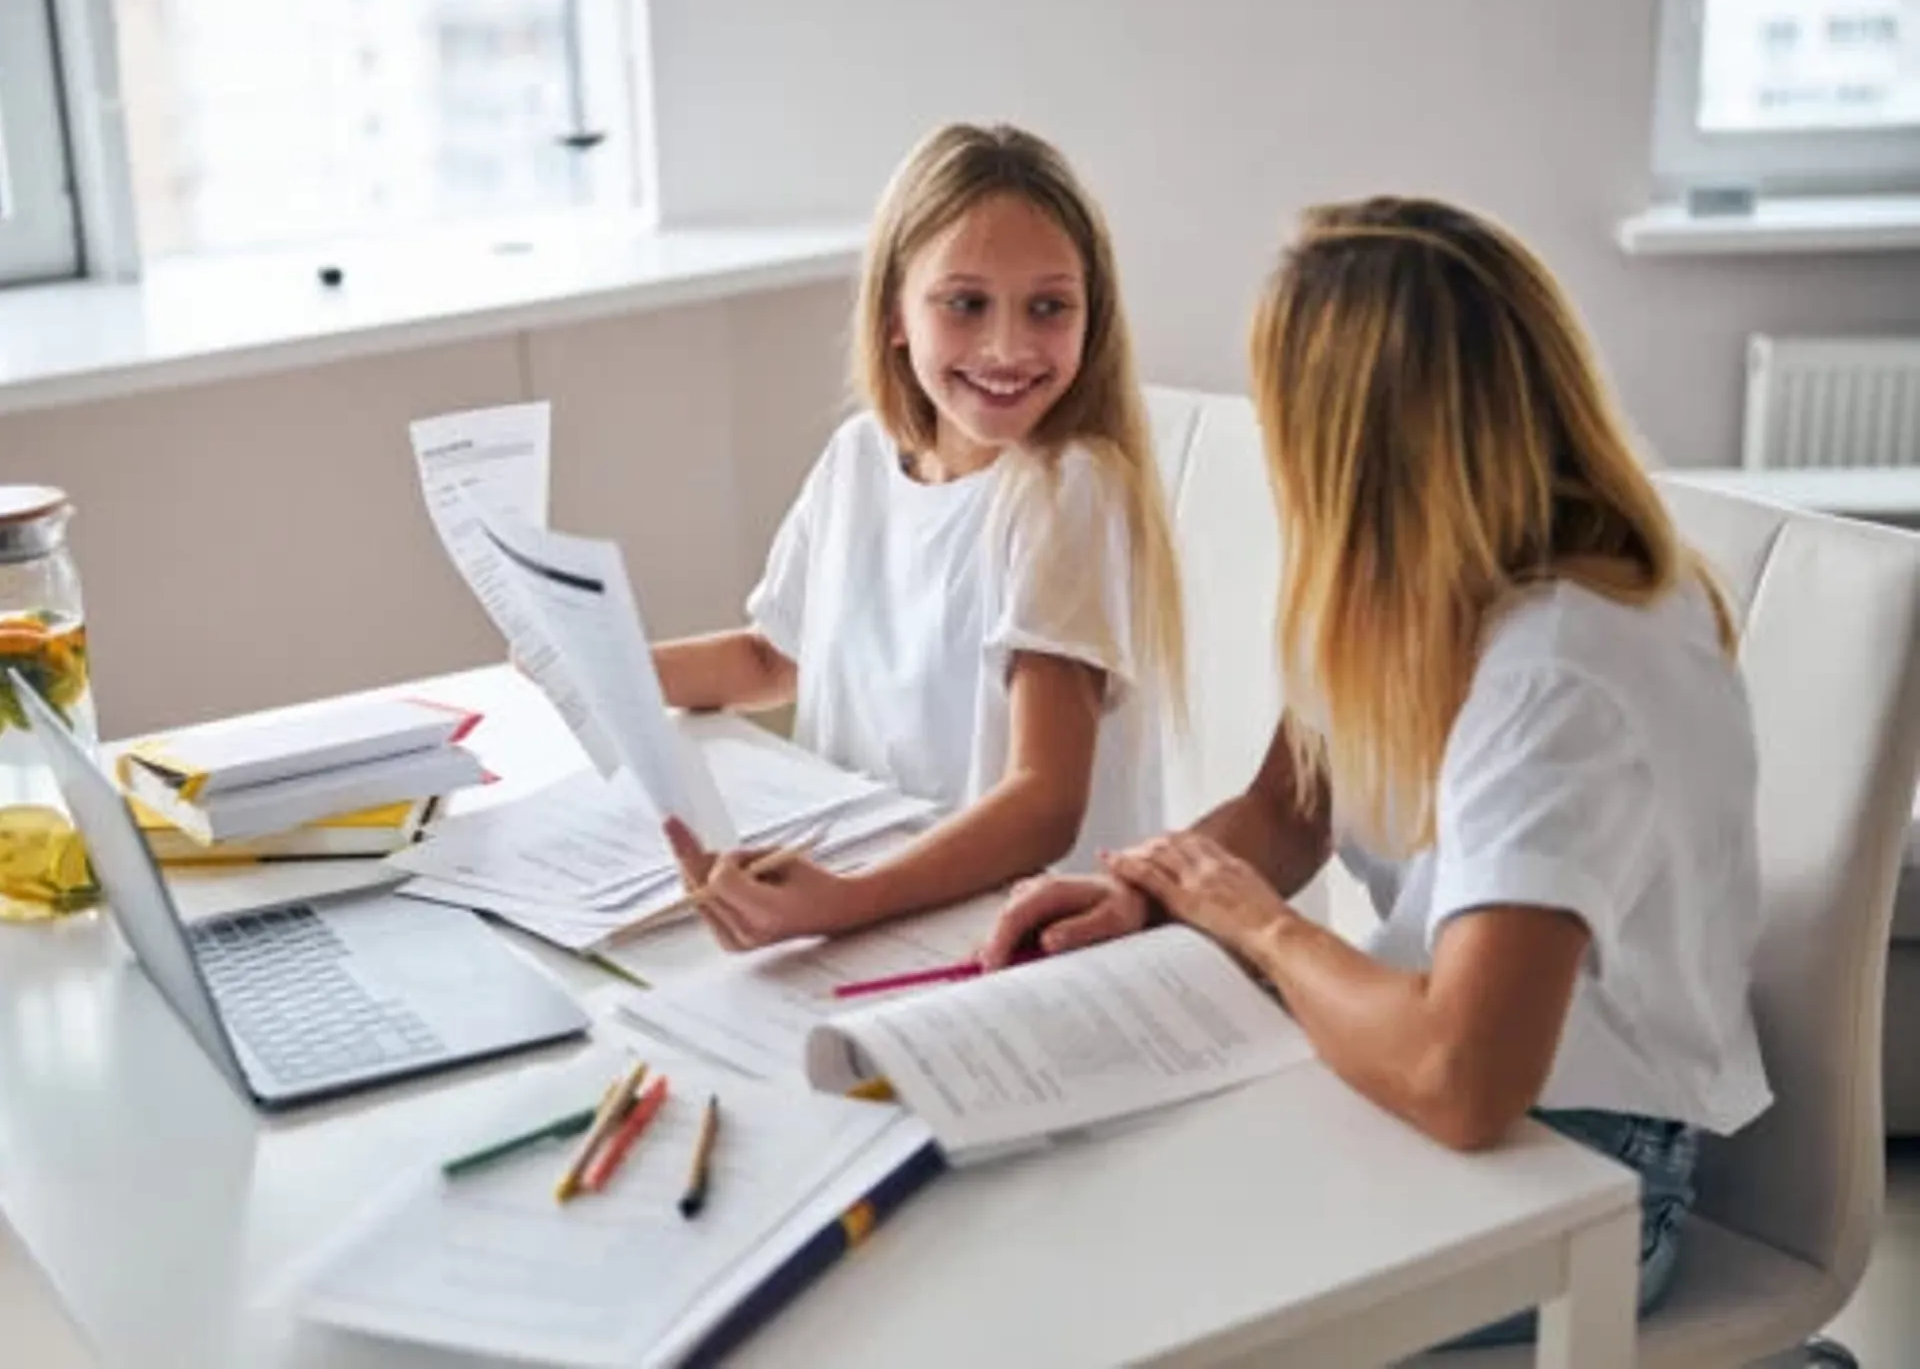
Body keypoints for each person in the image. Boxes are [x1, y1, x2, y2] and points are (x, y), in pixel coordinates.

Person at [983, 196, 1771, 1338]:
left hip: (1590, 1163)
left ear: (1355, 445)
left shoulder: (1564, 668)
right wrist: (1144, 890)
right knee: (1067, 1201)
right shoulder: (1402, 579)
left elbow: (1463, 1079)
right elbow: (1285, 811)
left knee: (1139, 1286)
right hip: (1433, 1068)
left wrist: (1257, 928)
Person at [657, 123, 1185, 954]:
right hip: (881, 915)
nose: (1007, 346)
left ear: (1092, 317)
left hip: (1010, 941)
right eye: (966, 304)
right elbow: (771, 658)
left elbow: (1045, 802)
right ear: (896, 312)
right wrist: (590, 664)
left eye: (1048, 308)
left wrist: (844, 902)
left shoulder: (1066, 491)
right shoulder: (859, 460)